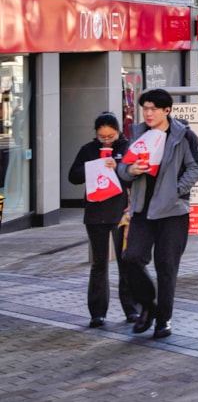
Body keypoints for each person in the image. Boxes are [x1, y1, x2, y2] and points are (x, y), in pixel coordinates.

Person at [116, 88, 198, 339]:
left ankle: (163, 319)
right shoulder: (137, 134)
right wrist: (131, 170)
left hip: (173, 212)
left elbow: (197, 165)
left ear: (167, 110)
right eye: (145, 108)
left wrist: (177, 189)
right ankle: (148, 305)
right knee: (131, 258)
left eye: (153, 108)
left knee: (166, 267)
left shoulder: (183, 135)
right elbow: (122, 170)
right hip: (142, 210)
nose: (148, 113)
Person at [68, 113, 140, 327]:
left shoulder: (128, 148)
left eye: (111, 135)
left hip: (121, 213)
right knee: (99, 264)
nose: (107, 140)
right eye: (102, 136)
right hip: (95, 213)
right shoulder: (88, 150)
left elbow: (134, 175)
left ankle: (131, 309)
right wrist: (95, 165)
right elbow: (73, 176)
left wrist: (116, 168)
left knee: (125, 261)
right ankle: (97, 312)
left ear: (119, 131)